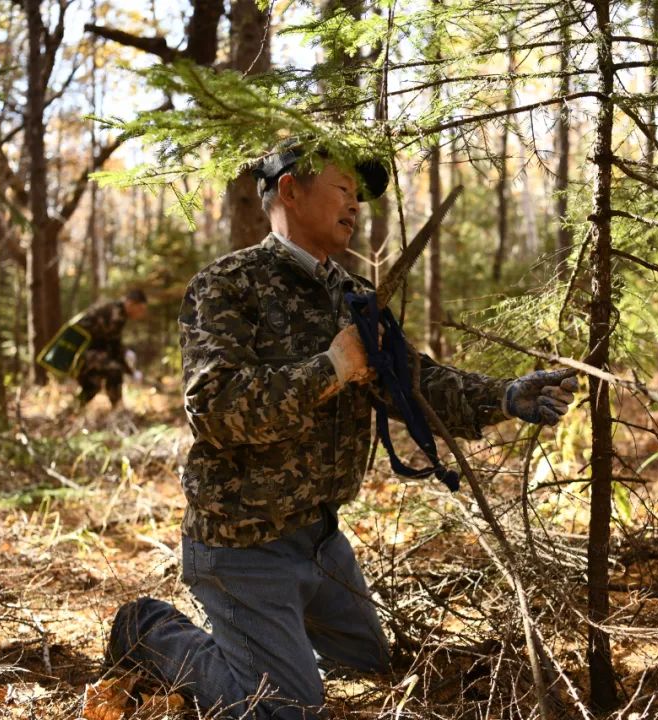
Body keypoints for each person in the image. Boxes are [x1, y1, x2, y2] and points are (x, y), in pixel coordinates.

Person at [103, 142, 579, 719]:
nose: (355, 205)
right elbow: (215, 407)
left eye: (359, 195)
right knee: (286, 710)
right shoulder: (227, 285)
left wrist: (503, 396)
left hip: (321, 540)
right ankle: (150, 629)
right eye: (343, 189)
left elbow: (412, 382)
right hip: (243, 544)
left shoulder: (352, 294)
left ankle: (272, 645)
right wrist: (333, 368)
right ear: (289, 191)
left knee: (366, 664)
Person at [74, 289, 148, 408]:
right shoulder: (116, 313)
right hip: (83, 352)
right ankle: (118, 408)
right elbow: (113, 347)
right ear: (131, 303)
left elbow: (110, 344)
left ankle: (76, 408)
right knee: (115, 370)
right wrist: (130, 371)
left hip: (87, 351)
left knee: (95, 382)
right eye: (139, 309)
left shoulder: (115, 309)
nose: (140, 314)